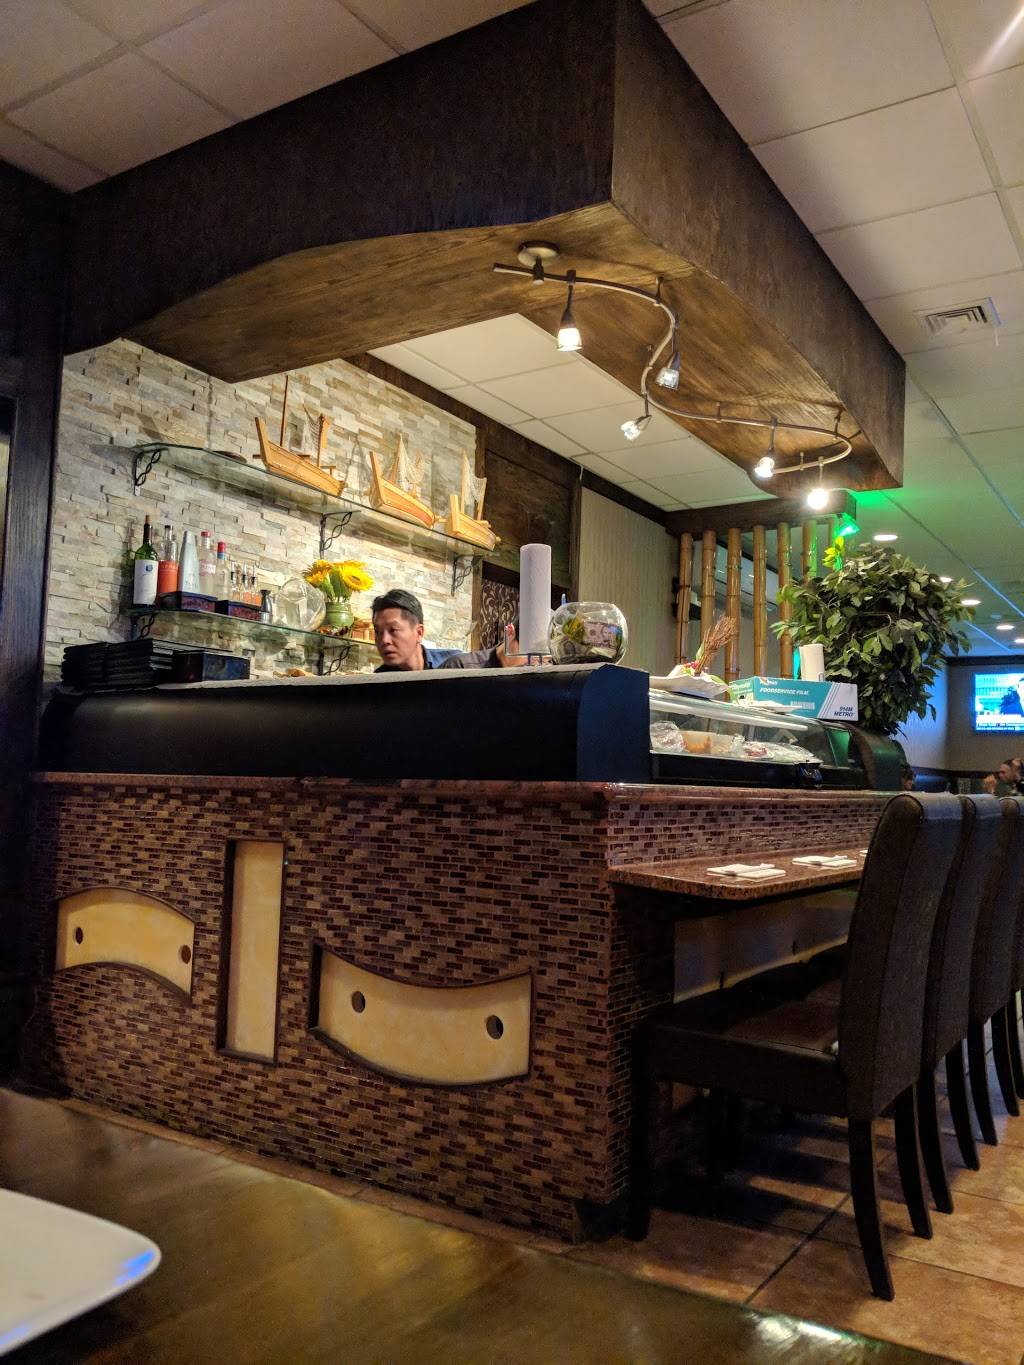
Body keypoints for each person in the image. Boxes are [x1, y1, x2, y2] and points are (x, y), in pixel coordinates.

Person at [372, 589, 525, 672]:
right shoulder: (379, 682)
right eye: (378, 632)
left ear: (419, 633)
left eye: (393, 630)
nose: (384, 640)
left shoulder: (453, 663)